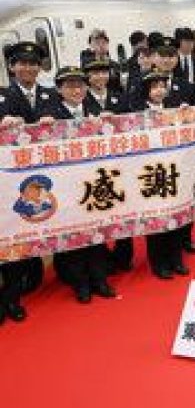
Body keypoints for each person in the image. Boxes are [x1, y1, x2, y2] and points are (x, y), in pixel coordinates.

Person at [44, 67, 117, 303]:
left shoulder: (95, 109)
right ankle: (80, 283)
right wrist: (41, 127)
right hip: (66, 186)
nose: (76, 90)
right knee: (73, 236)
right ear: (59, 89)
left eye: (80, 85)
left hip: (94, 182)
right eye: (69, 86)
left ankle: (100, 279)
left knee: (96, 232)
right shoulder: (49, 114)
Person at [0, 41, 56, 324]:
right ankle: (9, 300)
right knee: (12, 237)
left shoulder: (49, 94)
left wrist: (55, 121)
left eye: (33, 63)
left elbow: (67, 124)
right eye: (21, 63)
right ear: (11, 67)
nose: (28, 68)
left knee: (38, 229)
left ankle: (30, 281)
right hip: (10, 183)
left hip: (45, 178)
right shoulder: (3, 97)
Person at [137, 71, 190, 280]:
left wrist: (187, 115)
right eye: (154, 87)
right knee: (156, 220)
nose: (159, 90)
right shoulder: (137, 113)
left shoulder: (174, 109)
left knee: (176, 218)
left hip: (173, 171)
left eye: (162, 86)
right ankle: (159, 263)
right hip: (150, 172)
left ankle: (176, 260)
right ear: (147, 91)